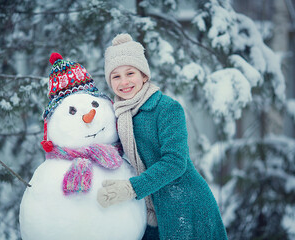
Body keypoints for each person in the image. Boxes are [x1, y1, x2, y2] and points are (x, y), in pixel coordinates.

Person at [97, 33, 228, 240]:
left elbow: (176, 162)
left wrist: (132, 188)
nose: (124, 82)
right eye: (116, 76)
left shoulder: (167, 108)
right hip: (150, 210)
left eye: (130, 73)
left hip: (185, 205)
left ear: (144, 76)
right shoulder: (119, 115)